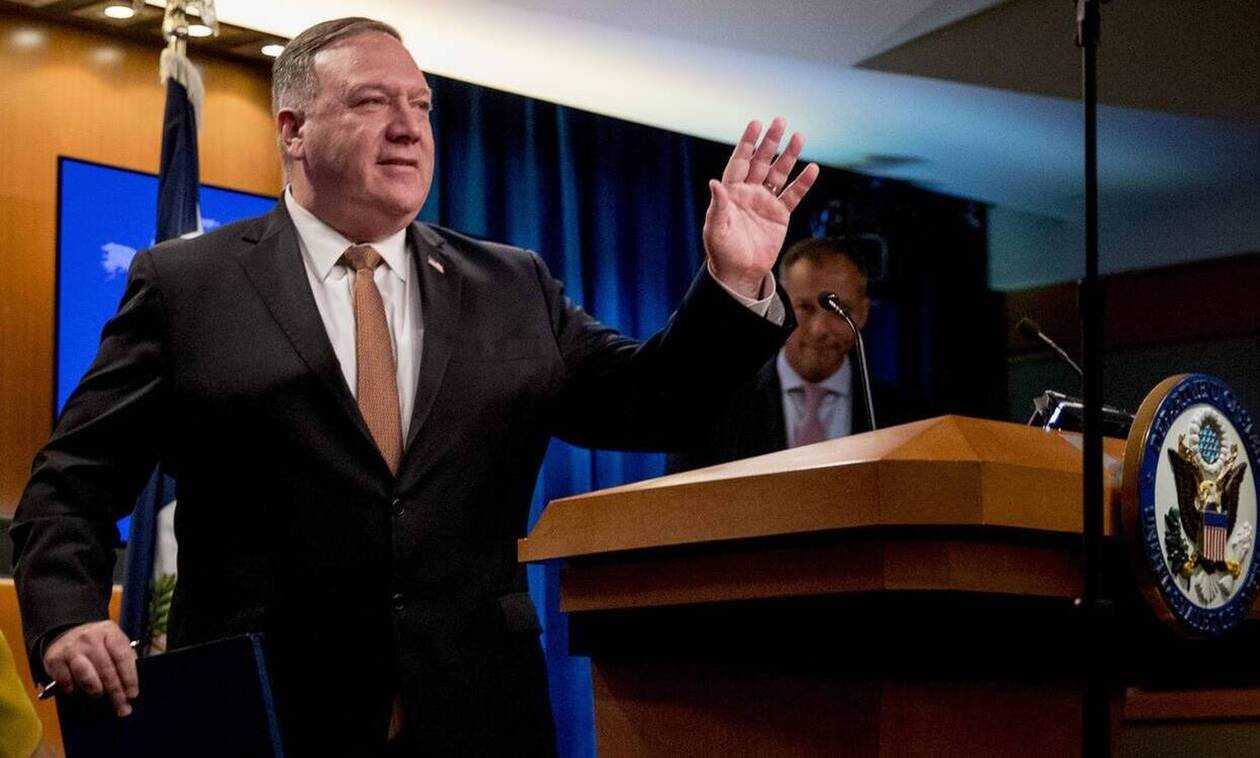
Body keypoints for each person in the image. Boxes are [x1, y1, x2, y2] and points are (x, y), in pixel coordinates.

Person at [9, 16, 819, 756]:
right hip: (269, 717)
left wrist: (734, 283)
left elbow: (652, 404)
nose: (409, 127)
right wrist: (69, 618)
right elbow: (73, 483)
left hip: (479, 715)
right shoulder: (189, 285)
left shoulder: (511, 284)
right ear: (293, 129)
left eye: (421, 105)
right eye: (372, 102)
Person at [667, 237, 921, 473]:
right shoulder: (715, 410)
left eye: (838, 310)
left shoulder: (904, 420)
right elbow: (681, 500)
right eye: (805, 308)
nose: (819, 329)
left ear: (863, 314)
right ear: (777, 306)